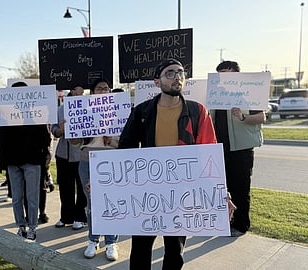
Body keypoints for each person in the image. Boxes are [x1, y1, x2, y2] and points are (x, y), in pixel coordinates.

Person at [118, 59, 218, 269]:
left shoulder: (198, 111)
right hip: (148, 193)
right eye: (170, 73)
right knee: (140, 250)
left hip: (182, 194)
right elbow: (125, 150)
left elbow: (208, 153)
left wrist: (220, 192)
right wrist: (103, 184)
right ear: (157, 82)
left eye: (181, 73)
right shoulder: (142, 112)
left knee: (175, 251)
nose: (177, 77)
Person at [0, 81, 52, 241]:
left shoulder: (37, 113)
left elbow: (46, 138)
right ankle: (21, 226)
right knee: (17, 197)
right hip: (13, 161)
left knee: (32, 197)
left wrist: (44, 160)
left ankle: (32, 227)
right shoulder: (6, 114)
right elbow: (1, 129)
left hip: (32, 160)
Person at [212, 60, 265, 237]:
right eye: (220, 74)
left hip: (241, 149)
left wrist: (242, 117)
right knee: (221, 189)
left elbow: (261, 117)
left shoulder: (248, 93)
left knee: (240, 189)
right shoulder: (213, 94)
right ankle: (224, 223)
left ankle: (241, 225)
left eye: (227, 73)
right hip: (218, 149)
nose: (223, 77)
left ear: (237, 75)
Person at [70, 78, 120, 261]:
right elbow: (74, 143)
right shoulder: (83, 112)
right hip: (87, 161)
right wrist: (70, 129)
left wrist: (112, 139)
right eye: (99, 88)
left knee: (110, 202)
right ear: (92, 93)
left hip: (110, 160)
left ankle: (111, 242)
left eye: (107, 88)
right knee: (92, 203)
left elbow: (126, 141)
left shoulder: (117, 111)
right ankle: (93, 239)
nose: (104, 91)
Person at [52, 85, 87, 230]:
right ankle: (66, 216)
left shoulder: (88, 105)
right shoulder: (61, 108)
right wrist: (60, 130)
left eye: (82, 88)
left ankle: (80, 217)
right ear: (71, 90)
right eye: (77, 88)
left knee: (82, 186)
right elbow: (54, 129)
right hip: (63, 153)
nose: (80, 91)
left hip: (81, 153)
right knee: (65, 187)